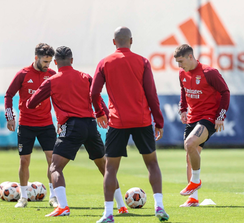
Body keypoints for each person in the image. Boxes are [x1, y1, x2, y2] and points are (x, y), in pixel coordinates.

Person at [26, 46, 128, 217]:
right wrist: (103, 114)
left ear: (56, 62)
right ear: (72, 60)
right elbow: (96, 96)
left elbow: (31, 103)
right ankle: (122, 205)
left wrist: (34, 97)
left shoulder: (51, 81)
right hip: (90, 125)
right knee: (105, 167)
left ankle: (63, 207)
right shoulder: (86, 77)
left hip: (72, 126)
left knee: (55, 167)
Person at [91, 27, 169, 223]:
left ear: (114, 42)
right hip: (142, 120)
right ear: (131, 41)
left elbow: (93, 93)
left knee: (110, 169)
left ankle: (108, 214)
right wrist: (158, 121)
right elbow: (152, 94)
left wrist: (100, 113)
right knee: (152, 164)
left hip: (118, 122)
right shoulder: (142, 61)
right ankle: (159, 206)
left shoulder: (105, 62)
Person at [173, 44, 230, 207]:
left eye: (181, 61)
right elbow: (183, 91)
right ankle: (193, 199)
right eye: (177, 62)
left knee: (189, 143)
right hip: (192, 118)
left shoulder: (209, 73)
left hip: (208, 118)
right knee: (189, 156)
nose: (179, 65)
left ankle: (195, 181)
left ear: (190, 57)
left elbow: (225, 92)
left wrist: (220, 116)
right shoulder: (182, 73)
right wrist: (183, 109)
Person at [4, 43, 58, 208]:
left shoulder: (52, 75)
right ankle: (23, 197)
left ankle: (53, 197)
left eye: (49, 61)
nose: (47, 65)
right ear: (36, 58)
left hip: (46, 124)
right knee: (24, 160)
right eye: (45, 61)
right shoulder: (23, 74)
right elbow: (9, 95)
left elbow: (58, 98)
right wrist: (10, 117)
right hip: (26, 124)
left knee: (53, 161)